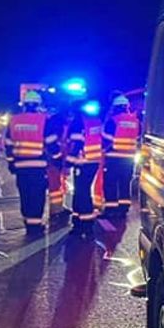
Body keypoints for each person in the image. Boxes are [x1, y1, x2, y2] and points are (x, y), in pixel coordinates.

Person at [3, 90, 60, 236]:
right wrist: (57, 158)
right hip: (38, 166)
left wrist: (11, 163)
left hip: (20, 166)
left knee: (25, 194)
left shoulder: (14, 120)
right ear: (38, 104)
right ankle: (35, 225)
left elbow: (8, 144)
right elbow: (51, 142)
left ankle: (28, 223)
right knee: (37, 195)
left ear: (24, 104)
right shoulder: (43, 120)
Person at [63, 100, 104, 235]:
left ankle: (86, 224)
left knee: (83, 192)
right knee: (80, 191)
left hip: (83, 162)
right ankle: (77, 220)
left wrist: (68, 164)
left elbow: (76, 145)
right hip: (94, 161)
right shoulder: (94, 120)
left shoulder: (78, 122)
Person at [101, 94, 140, 218]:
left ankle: (110, 209)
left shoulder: (113, 120)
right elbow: (138, 138)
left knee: (110, 183)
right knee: (125, 183)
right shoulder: (136, 121)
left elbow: (106, 139)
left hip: (113, 157)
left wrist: (103, 151)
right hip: (129, 158)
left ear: (116, 107)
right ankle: (123, 209)